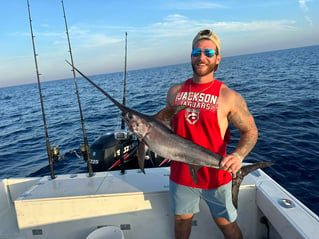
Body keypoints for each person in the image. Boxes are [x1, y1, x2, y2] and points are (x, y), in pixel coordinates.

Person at [166, 29, 258, 239]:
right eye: (196, 51)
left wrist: (238, 156)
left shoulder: (229, 96)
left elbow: (250, 131)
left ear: (218, 58)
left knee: (227, 225)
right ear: (191, 56)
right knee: (181, 222)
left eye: (208, 52)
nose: (202, 57)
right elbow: (167, 130)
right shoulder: (174, 92)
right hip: (182, 175)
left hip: (217, 177)